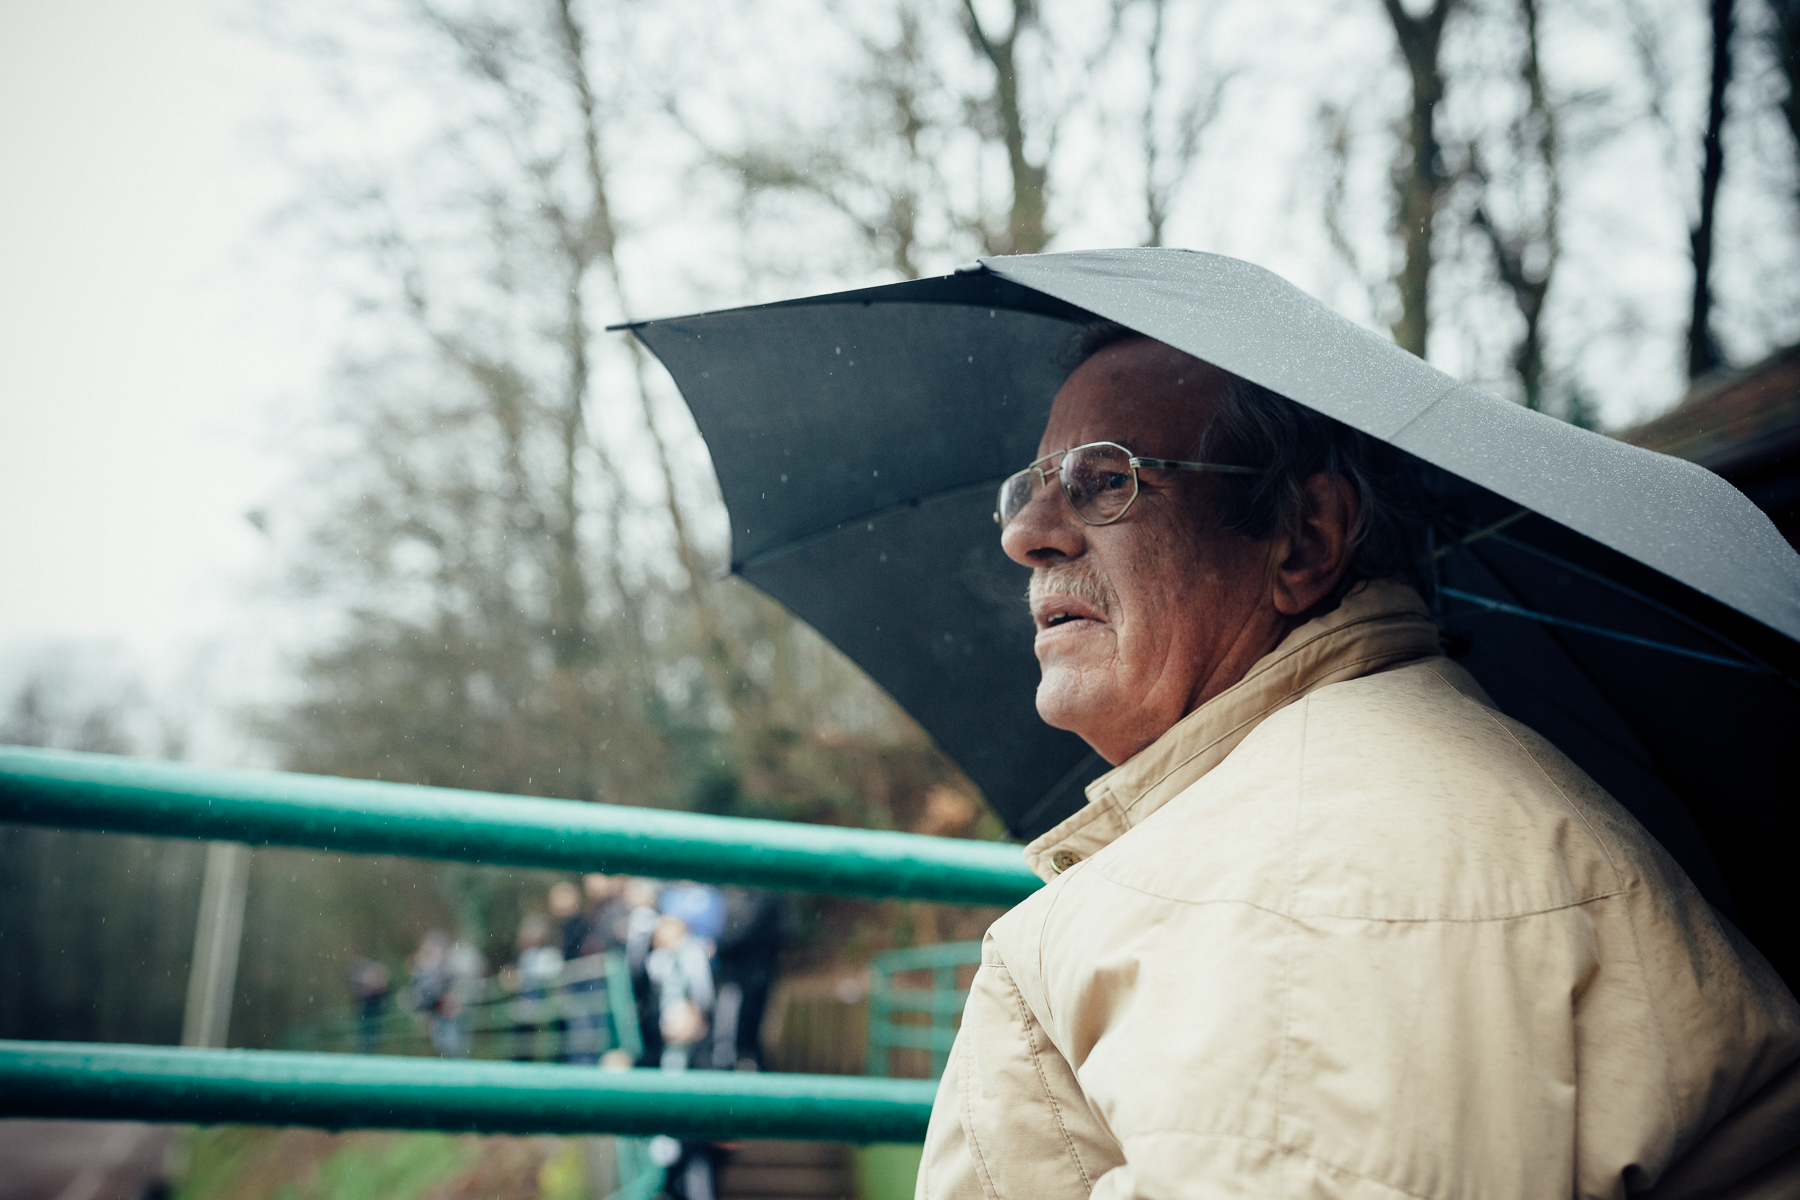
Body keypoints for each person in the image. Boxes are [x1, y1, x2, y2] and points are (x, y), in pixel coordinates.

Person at [916, 326, 1800, 1198]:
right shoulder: (1318, 808)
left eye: (1106, 480)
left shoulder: (1310, 860)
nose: (1026, 534)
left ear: (1304, 539)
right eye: (1028, 489)